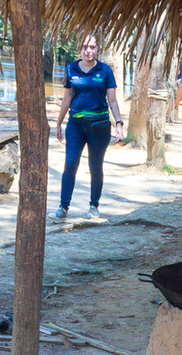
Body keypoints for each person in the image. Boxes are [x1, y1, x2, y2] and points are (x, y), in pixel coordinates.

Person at [52, 35, 124, 221]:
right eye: (85, 47)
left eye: (92, 47)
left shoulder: (105, 70)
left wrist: (118, 123)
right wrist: (59, 123)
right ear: (80, 49)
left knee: (95, 166)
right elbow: (67, 98)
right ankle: (63, 207)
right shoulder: (71, 68)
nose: (88, 50)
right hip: (75, 124)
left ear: (97, 48)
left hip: (99, 126)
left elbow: (113, 101)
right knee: (70, 164)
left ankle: (94, 206)